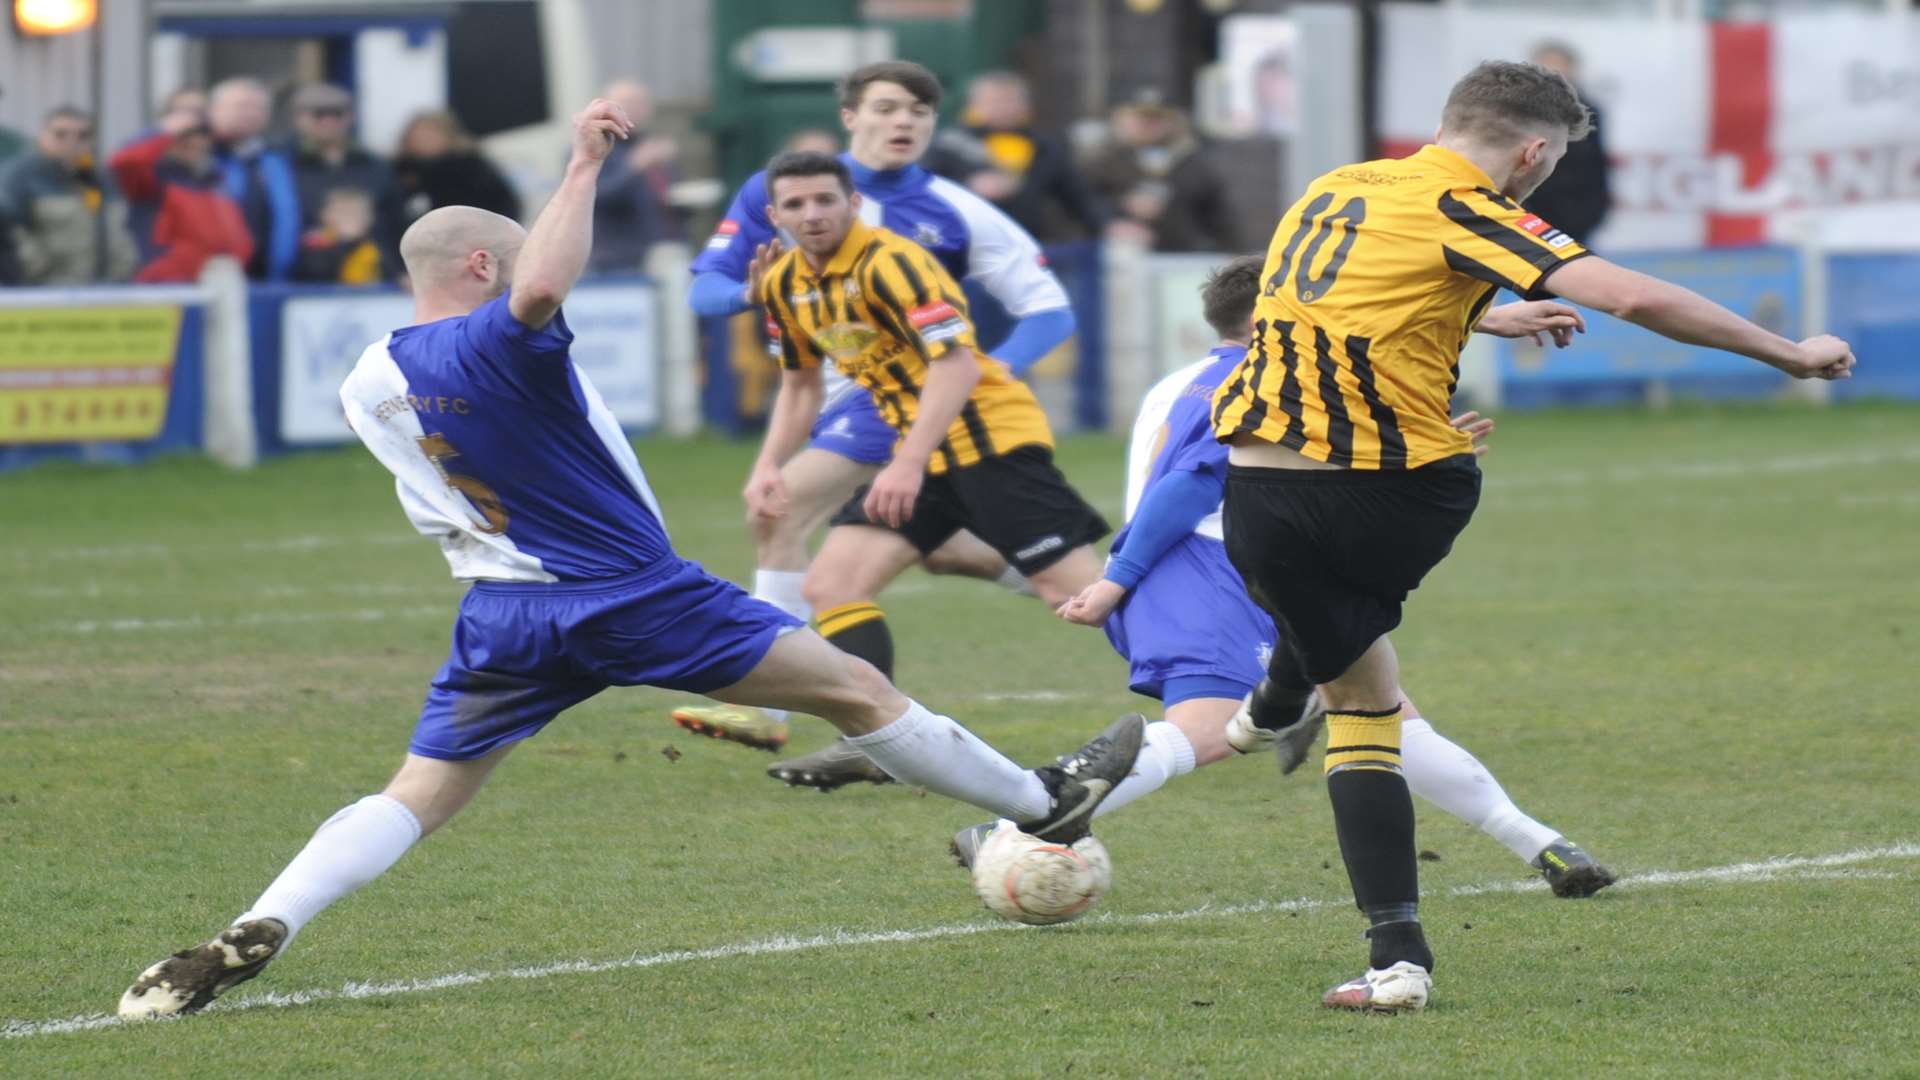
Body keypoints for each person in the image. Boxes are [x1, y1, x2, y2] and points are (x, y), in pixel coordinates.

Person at [116, 98, 1144, 1023]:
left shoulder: (368, 377)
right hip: (624, 592)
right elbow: (542, 286)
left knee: (417, 794)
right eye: (512, 266)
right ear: (482, 271)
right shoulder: (491, 339)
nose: (537, 284)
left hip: (499, 612)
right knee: (859, 691)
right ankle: (1044, 802)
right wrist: (581, 166)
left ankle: (262, 924)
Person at [1207, 60, 1854, 1013]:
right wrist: (1789, 352)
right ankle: (1294, 696)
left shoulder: (1337, 186)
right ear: (1534, 150)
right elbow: (1631, 298)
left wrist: (1487, 312)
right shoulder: (1474, 206)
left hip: (1254, 496)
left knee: (1360, 692)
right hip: (1394, 491)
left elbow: (1332, 299)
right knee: (1368, 689)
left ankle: (1389, 942)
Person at [950, 256, 1615, 904]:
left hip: (1260, 568)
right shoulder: (1261, 377)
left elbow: (1299, 465)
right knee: (1209, 729)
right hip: (1202, 574)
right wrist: (1117, 579)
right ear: (1275, 313)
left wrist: (1421, 457)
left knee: (1382, 711)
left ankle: (1544, 845)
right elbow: (1190, 484)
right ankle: (1017, 820)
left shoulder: (1188, 378)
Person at [672, 61, 1078, 763]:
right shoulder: (793, 191)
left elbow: (1050, 310)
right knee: (949, 553)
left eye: (919, 111)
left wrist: (994, 370)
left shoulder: (955, 211)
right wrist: (754, 290)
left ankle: (776, 706)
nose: (904, 122)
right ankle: (1099, 592)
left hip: (903, 398)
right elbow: (706, 294)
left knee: (782, 510)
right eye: (887, 108)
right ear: (850, 117)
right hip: (836, 398)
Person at [734, 151, 1112, 794]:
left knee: (1077, 594)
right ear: (774, 216)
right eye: (795, 204)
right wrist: (769, 463)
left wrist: (906, 463)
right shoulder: (783, 281)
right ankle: (878, 743)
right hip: (922, 451)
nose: (812, 214)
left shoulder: (894, 261)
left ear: (854, 204)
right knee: (832, 584)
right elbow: (799, 386)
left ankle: (1265, 677)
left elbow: (958, 365)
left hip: (987, 437)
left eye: (826, 199)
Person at [923, 71, 1107, 243]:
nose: (1003, 108)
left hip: (1026, 244)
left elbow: (1078, 196)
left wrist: (1107, 223)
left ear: (1025, 105)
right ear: (974, 105)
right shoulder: (948, 143)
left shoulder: (1044, 147)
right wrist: (968, 186)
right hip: (963, 245)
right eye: (994, 101)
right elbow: (921, 189)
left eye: (1010, 101)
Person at [109, 106, 254, 283]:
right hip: (166, 290)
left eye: (201, 135)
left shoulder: (216, 183)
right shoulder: (153, 181)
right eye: (183, 137)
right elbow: (125, 162)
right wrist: (163, 131)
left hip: (216, 286)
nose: (194, 143)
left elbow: (238, 238)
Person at [1081, 89, 1237, 253]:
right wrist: (1121, 204)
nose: (1149, 125)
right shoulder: (1103, 160)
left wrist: (1230, 253)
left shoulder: (1193, 162)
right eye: (1141, 118)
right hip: (1116, 256)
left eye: (1157, 118)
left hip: (1183, 254)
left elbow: (1220, 216)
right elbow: (1081, 203)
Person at [0, 105, 137, 284]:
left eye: (82, 135)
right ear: (42, 136)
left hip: (103, 290)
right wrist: (34, 270)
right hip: (45, 291)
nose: (71, 141)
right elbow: (12, 233)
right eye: (60, 134)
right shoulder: (20, 175)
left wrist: (123, 269)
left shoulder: (99, 177)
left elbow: (119, 231)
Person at [285, 82, 404, 280]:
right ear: (299, 118)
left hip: (377, 274)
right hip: (306, 277)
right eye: (319, 113)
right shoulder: (280, 165)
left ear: (351, 117)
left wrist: (402, 271)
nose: (329, 120)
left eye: (337, 113)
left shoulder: (376, 166)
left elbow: (396, 223)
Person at [207, 77, 301, 281]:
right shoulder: (197, 159)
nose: (249, 114)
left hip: (272, 279)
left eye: (258, 108)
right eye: (240, 106)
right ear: (213, 111)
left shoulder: (277, 161)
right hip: (213, 279)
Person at [586, 78, 681, 273]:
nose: (635, 109)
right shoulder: (593, 147)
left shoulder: (652, 146)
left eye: (641, 103)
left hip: (660, 253)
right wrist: (634, 167)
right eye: (627, 104)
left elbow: (669, 199)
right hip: (613, 260)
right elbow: (595, 198)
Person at [1523, 42, 1610, 245]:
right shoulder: (1520, 111)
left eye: (1559, 67)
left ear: (1572, 69)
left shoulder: (1590, 110)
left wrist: (1598, 207)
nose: (1554, 74)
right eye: (1546, 67)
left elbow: (1597, 164)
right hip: (1532, 204)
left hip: (1577, 208)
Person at [393, 110, 521, 227]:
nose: (424, 140)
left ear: (449, 134)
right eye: (418, 135)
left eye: (431, 133)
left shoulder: (472, 168)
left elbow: (505, 206)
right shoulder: (402, 175)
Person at [294, 187, 382, 284]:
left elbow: (389, 271)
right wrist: (346, 243)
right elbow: (315, 272)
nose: (347, 219)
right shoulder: (315, 243)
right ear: (325, 215)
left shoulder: (371, 247)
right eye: (341, 213)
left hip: (368, 297)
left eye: (354, 214)